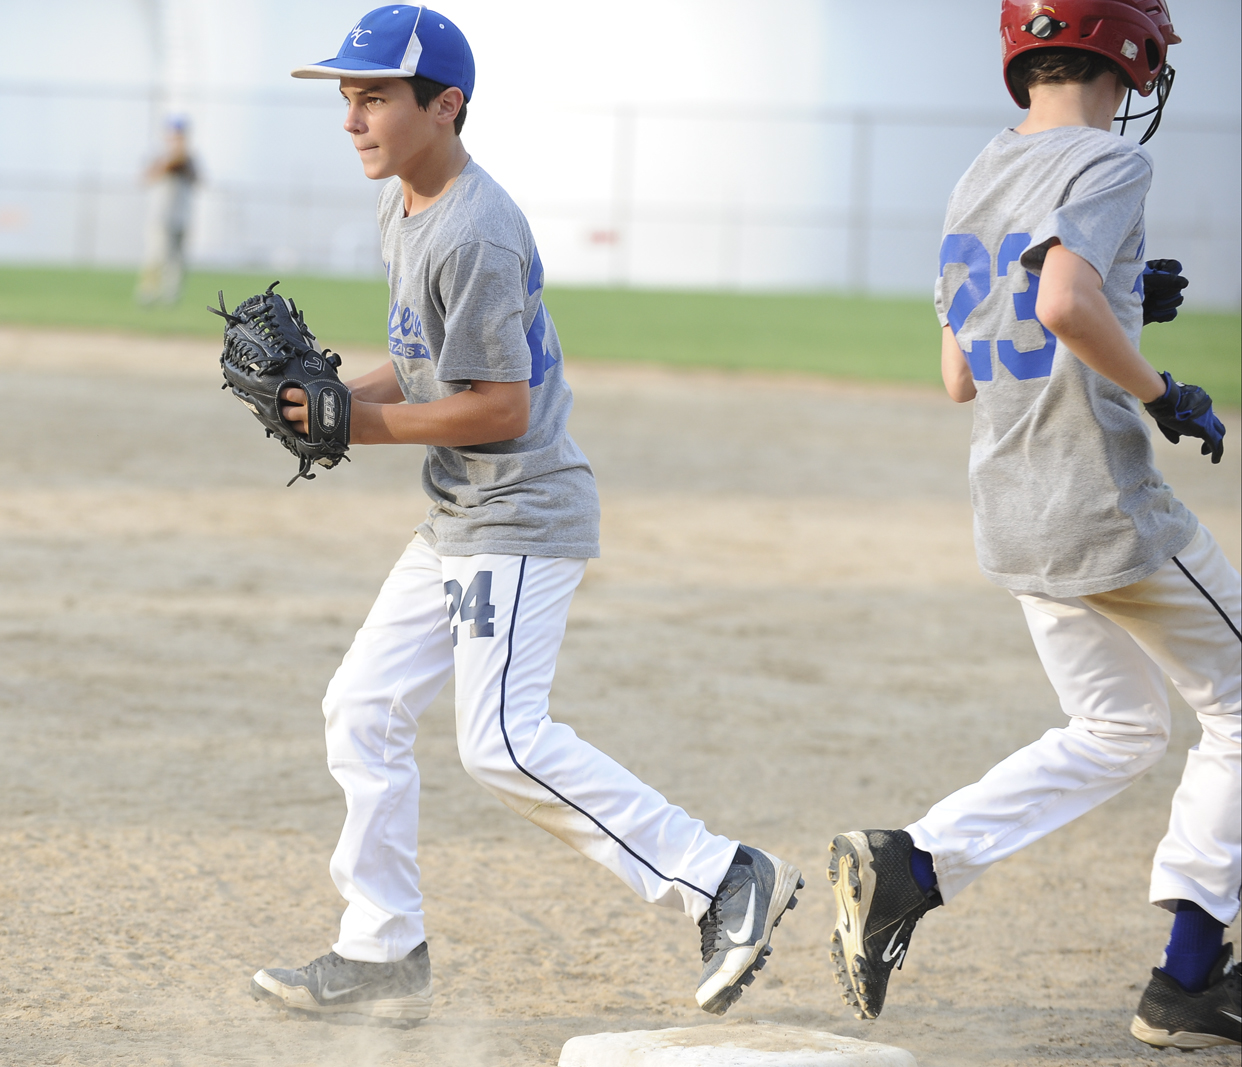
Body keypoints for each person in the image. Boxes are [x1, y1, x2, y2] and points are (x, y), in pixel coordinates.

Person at [247, 5, 802, 1025]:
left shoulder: (476, 229)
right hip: (460, 514)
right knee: (360, 707)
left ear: (444, 104)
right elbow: (427, 372)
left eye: (373, 95)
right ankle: (382, 946)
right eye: (347, 96)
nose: (351, 117)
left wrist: (354, 427)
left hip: (519, 513)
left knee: (501, 739)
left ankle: (724, 876)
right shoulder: (406, 206)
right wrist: (328, 395)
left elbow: (499, 406)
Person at [826, 0, 1239, 1051]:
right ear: (1134, 52)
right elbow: (1060, 304)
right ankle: (1189, 978)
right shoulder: (1108, 162)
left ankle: (911, 866)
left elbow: (962, 369)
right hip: (1101, 501)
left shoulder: (980, 171)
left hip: (1012, 503)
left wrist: (1125, 292)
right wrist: (1158, 390)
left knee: (1119, 729)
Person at [136, 117, 198, 306]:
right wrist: (168, 163)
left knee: (177, 260)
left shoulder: (190, 158)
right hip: (160, 215)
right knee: (155, 256)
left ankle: (171, 297)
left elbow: (197, 179)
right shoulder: (159, 155)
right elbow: (145, 178)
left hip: (181, 215)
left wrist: (182, 162)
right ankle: (148, 294)